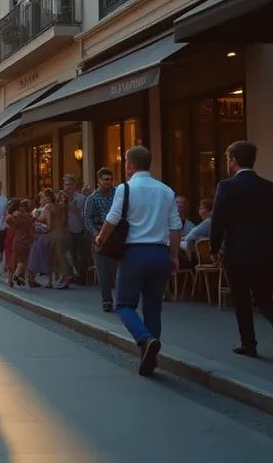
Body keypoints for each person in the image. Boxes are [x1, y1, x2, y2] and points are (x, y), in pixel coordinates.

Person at [95, 146, 181, 377]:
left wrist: (101, 238)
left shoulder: (126, 188)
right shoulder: (166, 190)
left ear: (130, 165)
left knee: (124, 305)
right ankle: (150, 354)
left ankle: (145, 340)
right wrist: (173, 255)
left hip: (134, 253)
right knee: (153, 306)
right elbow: (175, 226)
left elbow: (113, 218)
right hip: (160, 253)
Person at [211, 140, 273, 363]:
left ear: (233, 160)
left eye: (228, 159)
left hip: (236, 252)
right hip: (263, 253)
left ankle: (248, 343)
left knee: (241, 299)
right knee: (264, 297)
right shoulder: (269, 187)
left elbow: (218, 220)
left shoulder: (226, 186)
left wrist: (214, 248)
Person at [83, 168, 117, 312]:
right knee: (104, 271)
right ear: (99, 181)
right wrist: (96, 235)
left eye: (110, 179)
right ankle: (107, 300)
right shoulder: (93, 198)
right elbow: (87, 219)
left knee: (119, 270)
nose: (108, 182)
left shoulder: (117, 194)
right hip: (101, 236)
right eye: (105, 180)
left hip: (117, 236)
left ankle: (123, 300)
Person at [64, 176, 89, 285]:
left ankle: (82, 276)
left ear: (74, 185)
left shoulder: (81, 199)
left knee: (82, 255)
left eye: (69, 185)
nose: (67, 187)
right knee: (70, 253)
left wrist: (74, 210)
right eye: (65, 185)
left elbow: (84, 215)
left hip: (79, 229)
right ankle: (74, 275)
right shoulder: (62, 198)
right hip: (67, 229)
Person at [9, 199, 36, 287]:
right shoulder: (28, 217)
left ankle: (11, 280)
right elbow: (31, 232)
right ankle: (17, 274)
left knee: (14, 259)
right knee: (24, 260)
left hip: (15, 240)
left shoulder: (16, 216)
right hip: (24, 241)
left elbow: (7, 221)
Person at [182, 198, 213, 264]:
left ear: (205, 209)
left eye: (201, 207)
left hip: (208, 257)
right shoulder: (213, 220)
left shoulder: (208, 222)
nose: (199, 210)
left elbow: (189, 237)